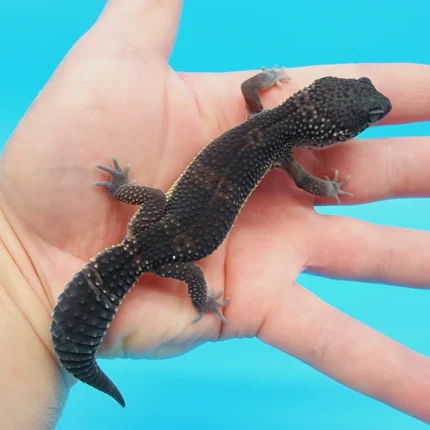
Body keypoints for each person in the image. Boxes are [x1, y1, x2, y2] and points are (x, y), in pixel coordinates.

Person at [1, 1, 430, 428]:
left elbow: (249, 88)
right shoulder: (284, 152)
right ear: (331, 133)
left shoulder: (265, 121)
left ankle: (128, 220)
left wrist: (267, 78)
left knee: (154, 204)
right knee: (190, 272)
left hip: (156, 225)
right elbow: (304, 182)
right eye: (371, 118)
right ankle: (195, 301)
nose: (378, 113)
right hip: (169, 250)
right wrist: (330, 188)